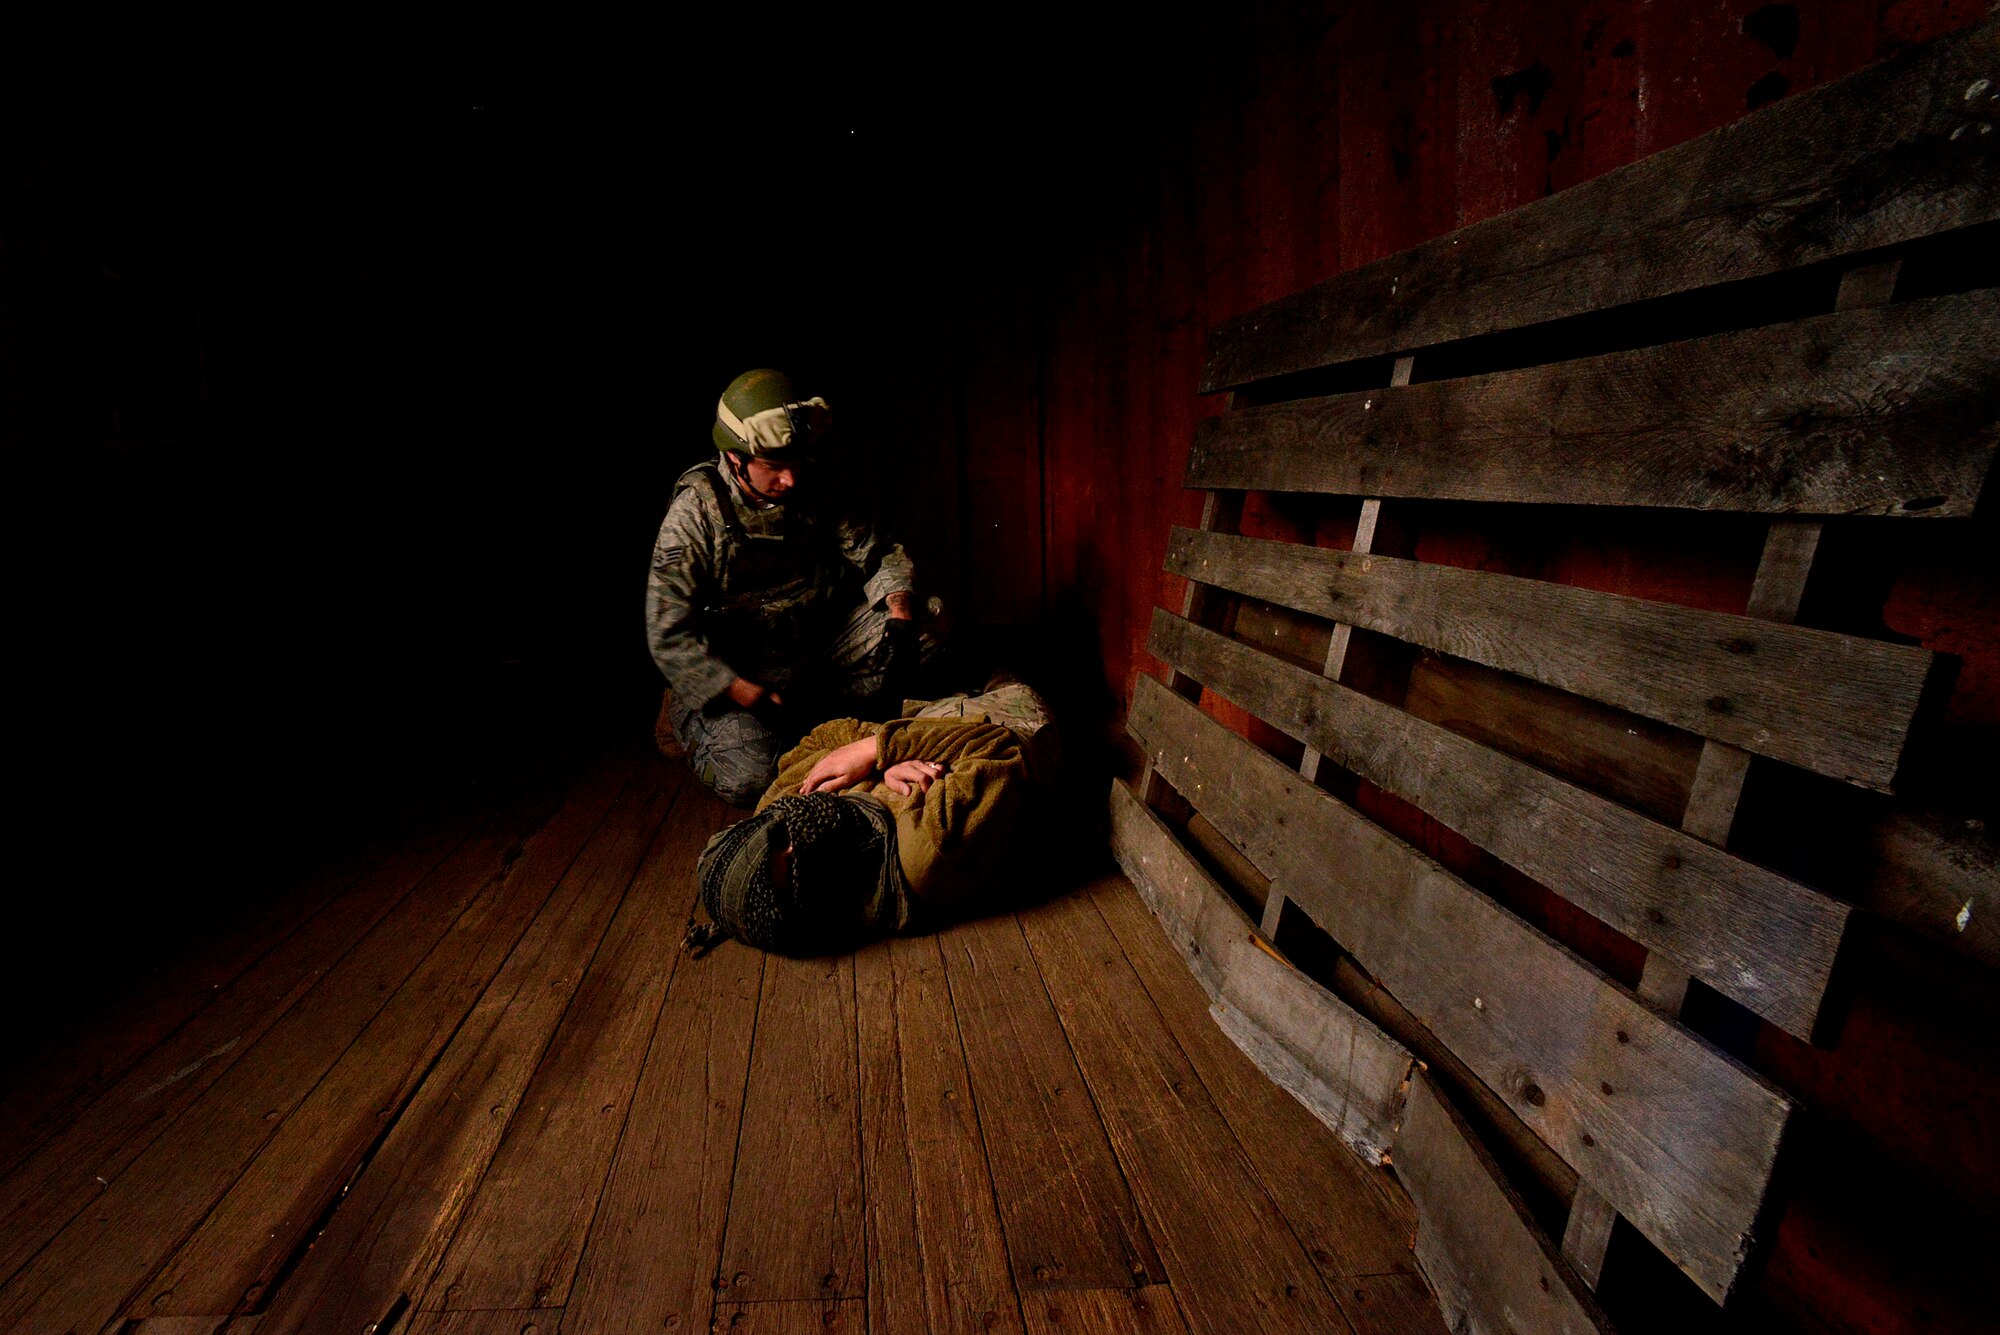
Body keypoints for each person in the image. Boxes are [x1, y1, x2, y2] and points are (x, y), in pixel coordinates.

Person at [646, 368, 940, 806]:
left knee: (927, 623)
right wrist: (747, 694)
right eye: (773, 467)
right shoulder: (695, 514)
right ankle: (682, 721)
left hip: (813, 647)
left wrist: (898, 616)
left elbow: (877, 552)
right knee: (750, 778)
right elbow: (667, 634)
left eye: (795, 462)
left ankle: (824, 718)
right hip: (738, 672)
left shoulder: (813, 487)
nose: (790, 480)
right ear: (735, 458)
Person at [687, 682, 1056, 956]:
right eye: (795, 866)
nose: (795, 843)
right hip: (1021, 720)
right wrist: (876, 749)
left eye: (777, 838)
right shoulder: (924, 852)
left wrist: (881, 756)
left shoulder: (783, 806)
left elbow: (822, 737)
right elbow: (996, 743)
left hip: (930, 717)